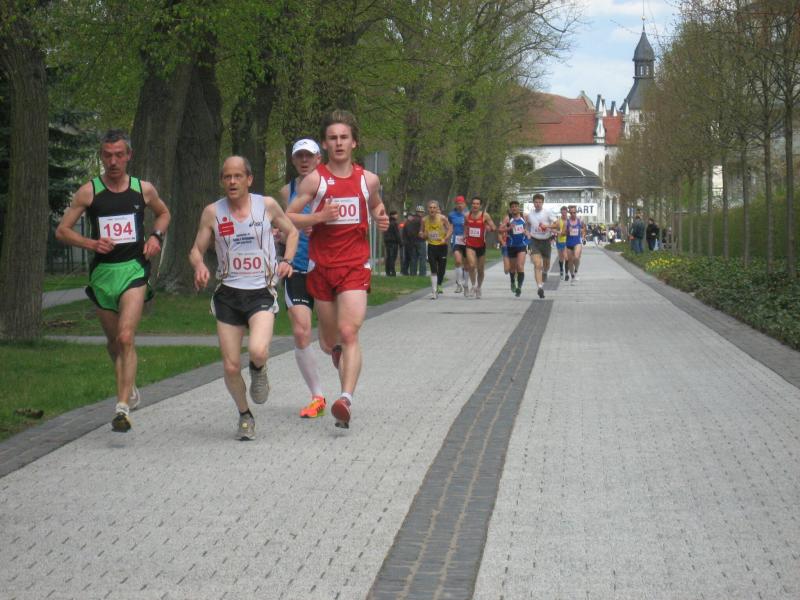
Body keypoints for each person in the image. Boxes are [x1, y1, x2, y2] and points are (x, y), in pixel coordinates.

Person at [55, 129, 171, 432]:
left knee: (125, 337)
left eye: (119, 155)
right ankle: (128, 385)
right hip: (103, 274)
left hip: (134, 270)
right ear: (102, 157)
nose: (113, 161)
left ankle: (122, 408)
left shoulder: (143, 189)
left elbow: (163, 214)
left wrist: (156, 237)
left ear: (129, 155)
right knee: (114, 343)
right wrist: (91, 244)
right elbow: (62, 230)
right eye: (107, 155)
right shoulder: (89, 192)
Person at [286, 109, 389, 429]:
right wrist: (317, 218)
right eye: (333, 138)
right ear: (325, 144)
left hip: (355, 265)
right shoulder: (315, 180)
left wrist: (381, 216)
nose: (339, 143)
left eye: (344, 137)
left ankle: (345, 399)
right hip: (321, 266)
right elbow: (288, 216)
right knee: (330, 342)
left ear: (354, 142)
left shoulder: (368, 179)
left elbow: (375, 204)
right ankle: (336, 353)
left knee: (349, 331)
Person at [189, 155, 298, 440]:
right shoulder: (213, 212)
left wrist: (287, 260)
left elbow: (292, 232)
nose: (232, 181)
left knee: (258, 350)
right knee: (230, 365)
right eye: (227, 177)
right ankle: (244, 414)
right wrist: (199, 265)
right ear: (222, 181)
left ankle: (258, 369)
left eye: (238, 176)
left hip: (261, 290)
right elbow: (196, 250)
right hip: (228, 294)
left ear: (249, 179)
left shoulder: (267, 205)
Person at [280, 139, 328, 419]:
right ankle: (317, 396)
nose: (304, 160)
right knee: (301, 331)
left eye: (309, 156)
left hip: (325, 268)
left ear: (319, 158)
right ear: (293, 160)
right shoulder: (286, 191)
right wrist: (281, 234)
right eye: (299, 156)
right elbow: (284, 224)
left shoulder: (330, 186)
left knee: (330, 340)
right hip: (297, 268)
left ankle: (344, 384)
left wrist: (315, 223)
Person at [463, 196, 496, 299]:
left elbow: (494, 227)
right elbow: (465, 226)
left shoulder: (485, 215)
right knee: (472, 265)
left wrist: (489, 228)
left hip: (481, 245)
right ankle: (473, 286)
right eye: (473, 203)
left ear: (480, 205)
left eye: (477, 204)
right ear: (471, 204)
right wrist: (465, 235)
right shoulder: (467, 215)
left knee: (481, 269)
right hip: (470, 244)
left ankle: (479, 287)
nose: (475, 205)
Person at [525, 193, 557, 299]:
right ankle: (540, 287)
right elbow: (527, 226)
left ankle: (545, 272)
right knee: (537, 264)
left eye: (540, 202)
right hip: (535, 242)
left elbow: (557, 224)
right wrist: (527, 232)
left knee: (546, 265)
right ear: (533, 203)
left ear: (543, 203)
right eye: (536, 202)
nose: (538, 204)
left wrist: (547, 226)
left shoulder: (547, 212)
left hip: (546, 241)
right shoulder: (530, 215)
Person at [421, 200, 452, 299]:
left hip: (442, 246)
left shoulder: (442, 218)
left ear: (437, 209)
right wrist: (423, 235)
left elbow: (450, 229)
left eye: (434, 207)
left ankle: (439, 284)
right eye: (430, 207)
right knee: (433, 269)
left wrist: (445, 238)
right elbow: (421, 232)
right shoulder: (424, 220)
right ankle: (434, 291)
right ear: (428, 209)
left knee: (441, 269)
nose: (432, 209)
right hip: (431, 246)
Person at [499, 200, 528, 296]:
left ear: (519, 207)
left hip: (522, 245)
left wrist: (527, 232)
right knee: (512, 268)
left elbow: (531, 226)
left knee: (520, 266)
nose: (514, 208)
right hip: (511, 245)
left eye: (516, 206)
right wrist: (509, 228)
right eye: (512, 207)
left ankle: (519, 287)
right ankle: (512, 282)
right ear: (510, 209)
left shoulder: (524, 216)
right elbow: (500, 230)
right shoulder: (508, 218)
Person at [448, 196, 468, 292]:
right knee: (458, 261)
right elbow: (449, 226)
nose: (460, 205)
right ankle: (459, 284)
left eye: (461, 203)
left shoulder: (469, 214)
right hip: (456, 240)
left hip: (467, 240)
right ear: (455, 205)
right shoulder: (451, 215)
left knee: (466, 264)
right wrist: (446, 236)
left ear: (465, 204)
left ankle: (466, 284)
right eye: (458, 204)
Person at [565, 205, 586, 283]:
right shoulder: (566, 222)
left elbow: (584, 228)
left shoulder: (580, 221)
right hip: (569, 242)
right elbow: (563, 232)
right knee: (570, 260)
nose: (573, 214)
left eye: (574, 212)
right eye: (571, 213)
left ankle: (576, 270)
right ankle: (572, 275)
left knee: (576, 257)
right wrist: (567, 231)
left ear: (576, 212)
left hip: (577, 242)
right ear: (569, 213)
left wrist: (583, 236)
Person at [401, 210, 422, 276]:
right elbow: (410, 233)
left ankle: (404, 271)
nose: (413, 217)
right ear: (409, 217)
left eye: (413, 216)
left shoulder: (407, 223)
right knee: (411, 257)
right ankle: (408, 271)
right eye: (412, 216)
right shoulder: (408, 223)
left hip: (407, 242)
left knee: (407, 258)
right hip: (409, 243)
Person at [383, 210, 401, 276]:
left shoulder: (386, 222)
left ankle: (387, 271)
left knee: (389, 257)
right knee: (393, 257)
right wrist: (400, 242)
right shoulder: (394, 223)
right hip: (393, 242)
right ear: (393, 215)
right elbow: (397, 234)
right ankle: (392, 272)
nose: (397, 216)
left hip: (387, 242)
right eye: (396, 214)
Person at [555, 205, 569, 281]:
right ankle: (561, 270)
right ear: (561, 213)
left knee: (566, 257)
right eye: (562, 212)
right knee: (561, 258)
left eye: (565, 212)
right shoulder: (558, 221)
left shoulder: (569, 221)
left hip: (567, 241)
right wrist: (558, 232)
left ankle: (566, 274)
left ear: (567, 212)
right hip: (560, 241)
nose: (564, 214)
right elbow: (555, 230)